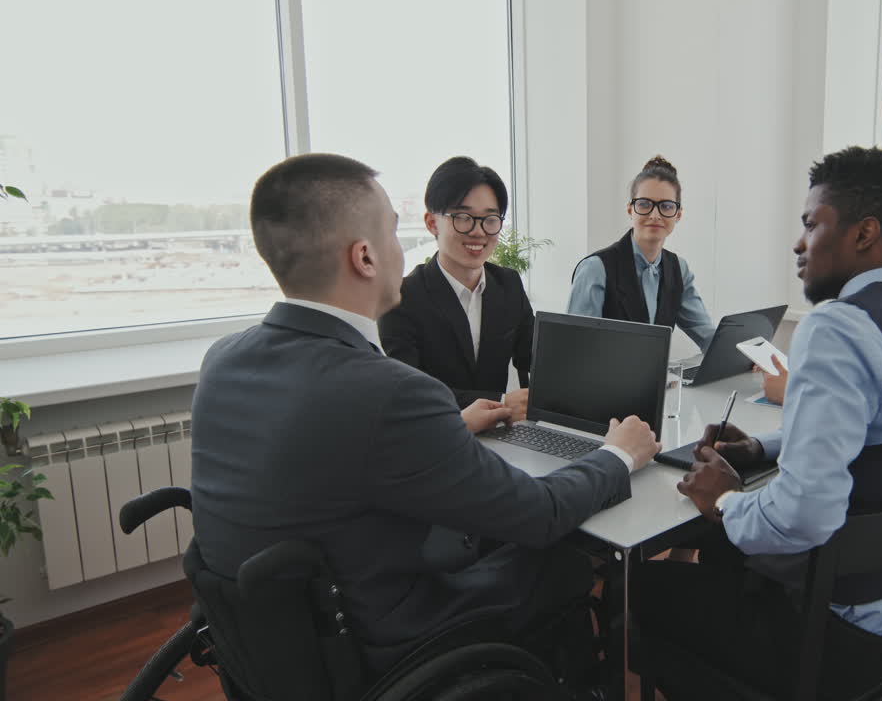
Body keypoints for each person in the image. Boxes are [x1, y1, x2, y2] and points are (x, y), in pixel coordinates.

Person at [190, 153, 660, 678]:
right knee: (562, 562)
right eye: (394, 231)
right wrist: (619, 455)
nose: (403, 246)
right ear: (365, 257)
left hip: (280, 645)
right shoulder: (389, 390)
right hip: (386, 638)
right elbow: (539, 514)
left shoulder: (223, 360)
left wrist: (455, 425)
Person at [631, 146, 882, 699]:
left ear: (863, 233)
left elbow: (804, 515)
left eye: (810, 224)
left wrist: (725, 499)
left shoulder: (837, 326)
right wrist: (763, 447)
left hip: (830, 635)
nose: (799, 243)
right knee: (725, 555)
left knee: (636, 585)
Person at [379, 157, 533, 421]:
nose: (478, 232)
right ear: (431, 223)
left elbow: (534, 358)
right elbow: (410, 394)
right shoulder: (401, 297)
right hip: (437, 435)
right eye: (462, 217)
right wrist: (502, 402)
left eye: (490, 219)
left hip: (505, 436)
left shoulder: (507, 283)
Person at [567, 155, 716, 352]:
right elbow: (577, 347)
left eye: (666, 206)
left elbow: (707, 334)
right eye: (645, 204)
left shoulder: (679, 269)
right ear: (631, 209)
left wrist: (750, 356)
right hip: (603, 381)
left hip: (655, 379)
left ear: (678, 214)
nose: (655, 215)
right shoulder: (595, 268)